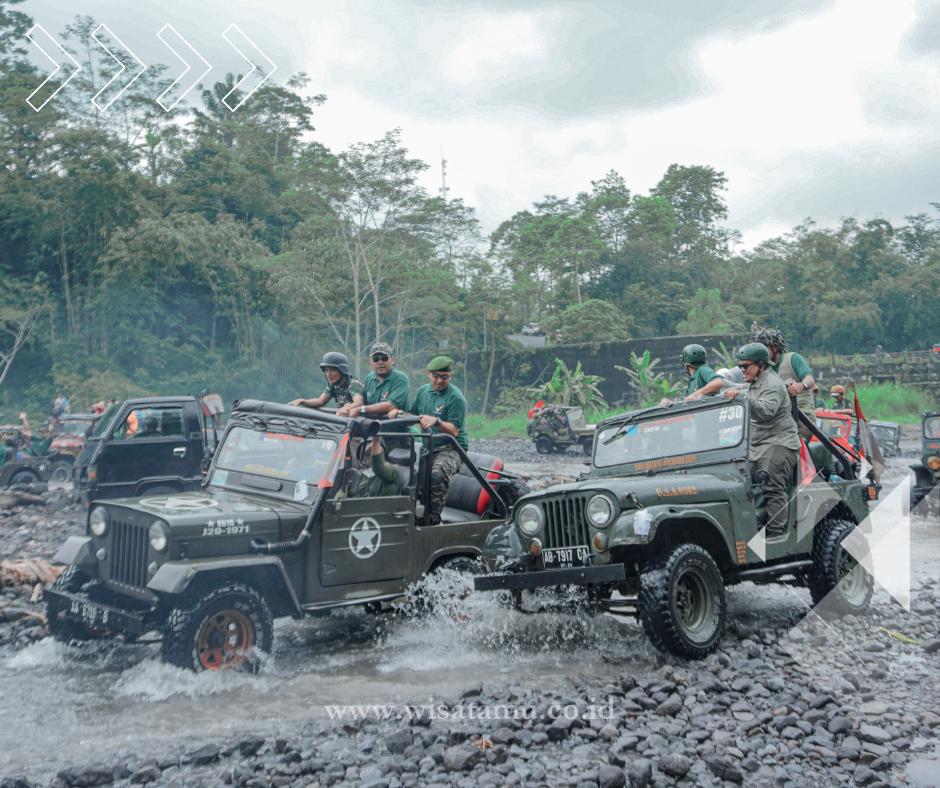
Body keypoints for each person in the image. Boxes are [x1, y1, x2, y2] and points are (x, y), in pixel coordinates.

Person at [723, 343, 800, 537]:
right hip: (757, 444)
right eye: (740, 367)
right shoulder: (755, 382)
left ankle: (776, 534)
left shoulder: (772, 383)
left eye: (746, 366)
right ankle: (750, 528)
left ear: (760, 365)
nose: (742, 370)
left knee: (771, 484)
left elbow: (767, 411)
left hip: (779, 442)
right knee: (739, 482)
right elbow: (741, 389)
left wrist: (743, 398)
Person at [388, 356, 468, 525]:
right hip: (429, 446)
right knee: (413, 477)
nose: (439, 380)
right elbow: (413, 414)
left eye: (444, 377)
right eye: (435, 376)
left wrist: (437, 421)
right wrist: (398, 412)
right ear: (429, 374)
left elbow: (454, 430)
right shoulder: (424, 391)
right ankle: (411, 516)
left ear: (450, 376)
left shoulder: (456, 398)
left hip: (452, 448)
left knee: (437, 475)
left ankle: (433, 522)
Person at [752, 327, 816, 439]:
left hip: (802, 420)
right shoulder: (764, 368)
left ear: (775, 347)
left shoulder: (792, 358)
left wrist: (800, 386)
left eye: (764, 348)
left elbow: (810, 379)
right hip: (777, 421)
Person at [341, 341, 410, 418]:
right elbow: (363, 403)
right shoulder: (369, 378)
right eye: (376, 359)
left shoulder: (400, 378)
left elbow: (390, 406)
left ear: (392, 360)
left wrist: (360, 410)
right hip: (372, 427)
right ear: (370, 362)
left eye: (384, 358)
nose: (380, 362)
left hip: (396, 428)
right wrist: (348, 407)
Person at [290, 352, 365, 412]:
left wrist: (344, 409)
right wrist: (302, 401)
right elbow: (320, 401)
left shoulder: (354, 384)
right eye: (326, 370)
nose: (329, 374)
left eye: (332, 370)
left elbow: (359, 403)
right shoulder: (333, 385)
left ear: (342, 371)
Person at [333, 435, 401, 500]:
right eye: (365, 453)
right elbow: (342, 491)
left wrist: (375, 441)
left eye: (370, 453)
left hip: (379, 510)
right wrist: (340, 499)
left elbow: (379, 468)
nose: (366, 456)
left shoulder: (391, 472)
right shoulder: (359, 474)